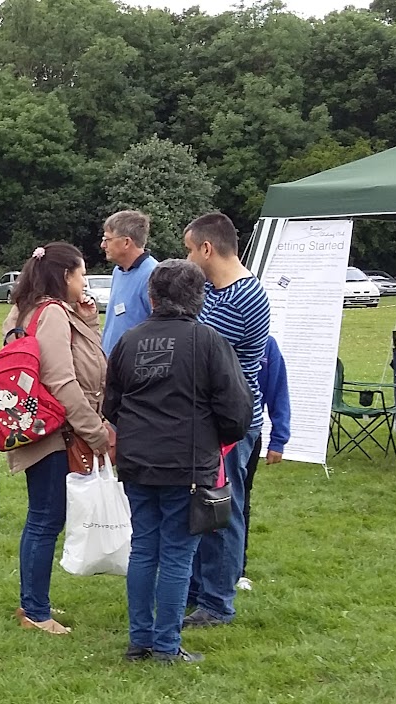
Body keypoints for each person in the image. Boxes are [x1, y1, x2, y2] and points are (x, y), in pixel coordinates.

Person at [104, 258, 253, 664]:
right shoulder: (208, 341)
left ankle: (141, 641)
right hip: (187, 465)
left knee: (143, 550)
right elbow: (237, 409)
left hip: (138, 462)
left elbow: (111, 404)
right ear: (199, 299)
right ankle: (166, 645)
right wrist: (215, 439)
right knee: (175, 555)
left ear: (152, 298)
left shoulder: (128, 341)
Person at [0, 243, 110, 634]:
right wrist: (95, 432)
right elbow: (62, 380)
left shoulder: (24, 310)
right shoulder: (52, 315)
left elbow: (84, 358)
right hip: (54, 433)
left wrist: (88, 320)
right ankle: (36, 611)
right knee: (46, 520)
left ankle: (32, 603)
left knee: (43, 518)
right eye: (81, 275)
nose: (84, 282)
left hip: (33, 425)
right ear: (65, 276)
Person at [181, 212, 272, 630]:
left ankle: (217, 602)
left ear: (206, 248)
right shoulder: (217, 290)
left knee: (223, 511)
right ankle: (198, 590)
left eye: (189, 250)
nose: (187, 259)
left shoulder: (244, 296)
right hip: (209, 421)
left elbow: (196, 348)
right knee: (202, 508)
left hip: (230, 425)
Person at [239, 334, 290, 590]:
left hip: (248, 433)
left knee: (240, 502)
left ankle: (238, 568)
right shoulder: (208, 338)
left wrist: (278, 439)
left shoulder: (266, 345)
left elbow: (278, 389)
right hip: (209, 434)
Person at [99, 210, 157, 356]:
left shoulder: (154, 275)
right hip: (113, 368)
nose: (102, 245)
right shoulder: (118, 271)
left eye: (107, 239)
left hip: (135, 370)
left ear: (126, 242)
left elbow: (162, 330)